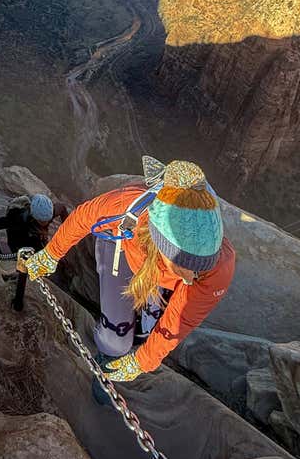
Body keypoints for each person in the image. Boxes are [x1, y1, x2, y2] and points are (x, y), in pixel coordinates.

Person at [23, 159, 235, 402]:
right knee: (117, 338)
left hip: (155, 267)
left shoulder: (218, 266)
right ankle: (107, 363)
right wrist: (51, 254)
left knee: (147, 334)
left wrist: (143, 361)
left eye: (200, 269)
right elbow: (84, 217)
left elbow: (181, 318)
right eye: (184, 266)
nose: (191, 279)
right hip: (123, 248)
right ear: (160, 244)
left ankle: (129, 345)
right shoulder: (126, 209)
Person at [0, 194, 68, 255]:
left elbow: (62, 208)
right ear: (33, 216)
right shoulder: (17, 219)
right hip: (19, 237)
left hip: (32, 230)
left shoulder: (49, 211)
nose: (45, 223)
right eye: (42, 221)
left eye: (47, 220)